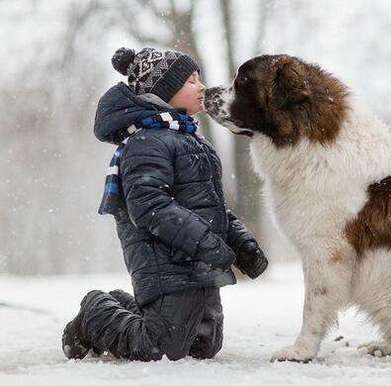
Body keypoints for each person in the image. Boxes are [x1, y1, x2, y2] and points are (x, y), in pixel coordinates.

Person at [61, 47, 268, 361]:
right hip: (164, 263)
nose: (201, 87)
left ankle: (126, 306)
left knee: (204, 346)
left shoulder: (194, 142)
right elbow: (149, 205)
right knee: (159, 347)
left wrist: (242, 244)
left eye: (199, 79)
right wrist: (206, 243)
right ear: (162, 93)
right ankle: (94, 314)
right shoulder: (146, 142)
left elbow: (211, 206)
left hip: (200, 263)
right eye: (189, 81)